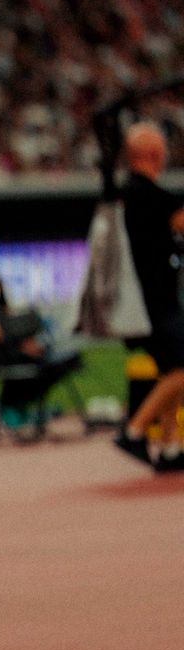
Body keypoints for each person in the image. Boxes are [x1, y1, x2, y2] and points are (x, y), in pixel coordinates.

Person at [0, 221, 83, 426]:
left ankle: (18, 406)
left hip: (8, 346)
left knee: (60, 359)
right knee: (34, 359)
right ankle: (11, 408)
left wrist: (25, 339)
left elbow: (7, 318)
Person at [114, 123, 184, 472]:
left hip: (142, 301)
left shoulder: (127, 194)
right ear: (156, 155)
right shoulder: (152, 197)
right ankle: (135, 429)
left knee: (173, 369)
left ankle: (171, 447)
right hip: (155, 301)